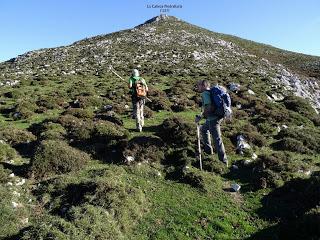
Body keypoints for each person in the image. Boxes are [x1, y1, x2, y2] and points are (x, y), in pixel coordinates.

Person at [195, 80, 228, 166]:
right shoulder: (210, 92)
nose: (197, 87)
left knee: (217, 139)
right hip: (216, 117)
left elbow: (208, 107)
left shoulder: (205, 93)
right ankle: (208, 150)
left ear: (203, 85)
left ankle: (223, 161)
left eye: (198, 85)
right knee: (204, 129)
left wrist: (200, 117)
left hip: (213, 119)